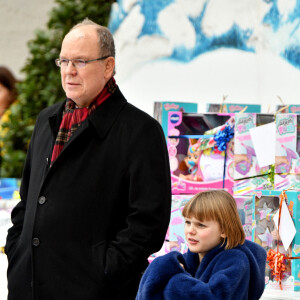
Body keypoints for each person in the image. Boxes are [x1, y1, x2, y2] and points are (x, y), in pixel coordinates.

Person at [5, 19, 171, 300]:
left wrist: (104, 272)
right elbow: (27, 200)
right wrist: (16, 251)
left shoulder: (140, 131)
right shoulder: (48, 119)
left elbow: (148, 223)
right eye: (64, 61)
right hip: (28, 286)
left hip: (92, 291)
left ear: (108, 67)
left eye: (80, 61)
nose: (69, 71)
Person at [136, 190, 267, 300]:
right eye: (188, 222)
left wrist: (174, 278)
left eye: (201, 225)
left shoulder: (236, 261)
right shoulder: (191, 258)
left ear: (224, 230)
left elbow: (213, 297)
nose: (190, 230)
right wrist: (165, 266)